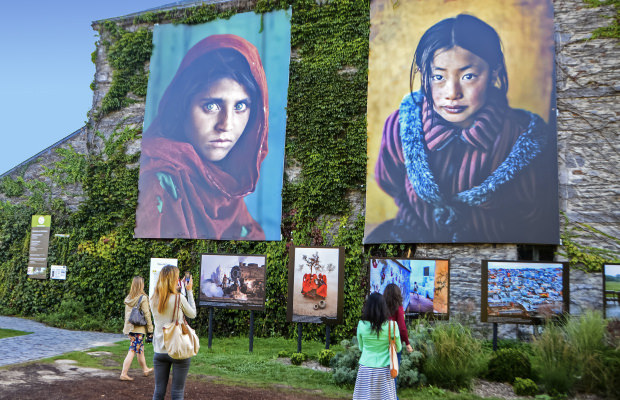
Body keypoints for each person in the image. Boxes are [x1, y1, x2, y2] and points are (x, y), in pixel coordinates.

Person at [368, 14, 558, 244]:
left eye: (468, 76)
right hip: (413, 241)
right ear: (422, 73)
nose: (452, 92)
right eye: (438, 76)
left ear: (494, 73)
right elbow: (389, 181)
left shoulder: (520, 139)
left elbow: (532, 212)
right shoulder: (401, 125)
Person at [135, 34, 269, 240]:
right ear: (183, 107)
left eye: (240, 106)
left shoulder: (226, 188)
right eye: (211, 106)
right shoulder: (156, 181)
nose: (226, 125)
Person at [150, 265, 197, 400]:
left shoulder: (153, 299)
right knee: (177, 392)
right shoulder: (179, 298)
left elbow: (167, 299)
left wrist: (179, 289)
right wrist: (189, 291)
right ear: (173, 280)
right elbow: (192, 314)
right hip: (178, 349)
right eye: (177, 277)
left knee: (158, 391)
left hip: (159, 350)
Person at [353, 292, 401, 400]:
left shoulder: (361, 325)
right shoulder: (392, 326)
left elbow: (361, 347)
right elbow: (398, 348)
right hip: (385, 370)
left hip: (365, 368)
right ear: (384, 307)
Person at [121, 276, 154, 381]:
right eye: (143, 283)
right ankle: (124, 373)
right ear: (141, 285)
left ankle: (145, 369)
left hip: (130, 328)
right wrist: (150, 329)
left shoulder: (129, 298)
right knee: (133, 349)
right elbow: (147, 314)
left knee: (140, 349)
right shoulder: (142, 298)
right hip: (138, 329)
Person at [383, 283, 413, 396]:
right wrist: (407, 343)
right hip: (394, 345)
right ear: (398, 295)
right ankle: (392, 397)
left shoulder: (381, 307)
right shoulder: (398, 308)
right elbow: (402, 328)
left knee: (383, 375)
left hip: (381, 344)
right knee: (393, 374)